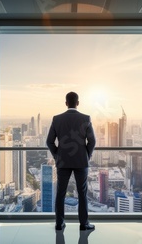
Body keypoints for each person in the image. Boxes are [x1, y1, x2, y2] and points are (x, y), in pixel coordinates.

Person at [46, 91, 96, 231]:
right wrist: (86, 155)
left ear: (66, 103)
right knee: (82, 193)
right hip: (81, 161)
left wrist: (57, 155)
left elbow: (49, 142)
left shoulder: (57, 119)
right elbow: (92, 141)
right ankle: (84, 224)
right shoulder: (86, 118)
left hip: (63, 162)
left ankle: (59, 223)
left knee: (61, 193)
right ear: (78, 103)